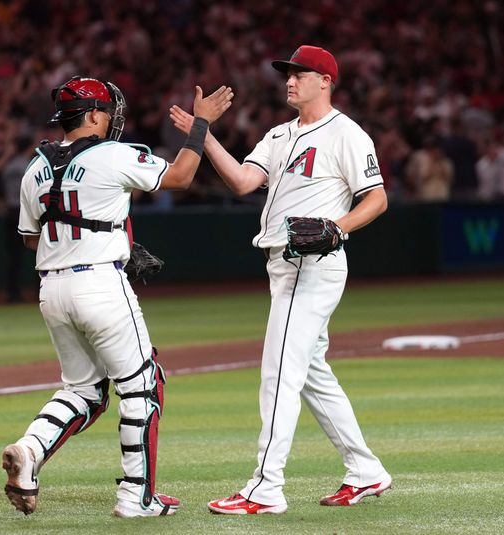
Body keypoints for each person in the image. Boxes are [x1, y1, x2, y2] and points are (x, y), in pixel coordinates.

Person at [169, 45, 392, 514]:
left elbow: (376, 200)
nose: (290, 80)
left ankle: (265, 488)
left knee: (278, 374)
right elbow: (244, 182)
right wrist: (203, 134)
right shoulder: (279, 134)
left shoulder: (347, 134)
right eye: (287, 74)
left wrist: (337, 226)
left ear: (326, 80)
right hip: (282, 265)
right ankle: (366, 471)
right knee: (311, 373)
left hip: (314, 263)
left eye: (300, 74)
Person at [3, 76, 233, 518]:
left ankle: (29, 452)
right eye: (107, 111)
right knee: (144, 385)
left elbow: (34, 239)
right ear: (92, 115)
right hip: (100, 285)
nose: (112, 119)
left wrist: (102, 238)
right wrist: (201, 124)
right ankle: (136, 496)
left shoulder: (35, 167)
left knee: (85, 390)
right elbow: (182, 176)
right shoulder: (114, 154)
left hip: (52, 290)